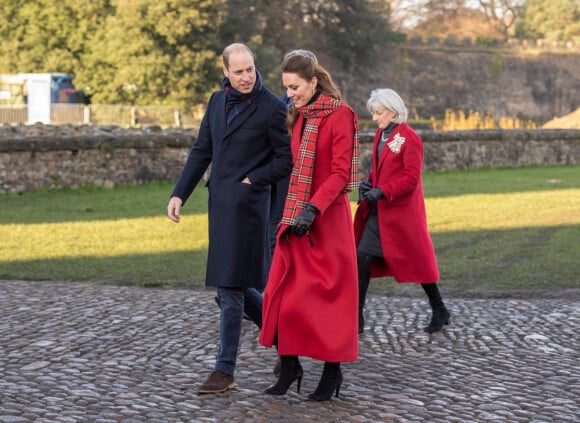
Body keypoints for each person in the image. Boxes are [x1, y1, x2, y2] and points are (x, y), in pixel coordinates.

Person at [167, 43, 292, 395]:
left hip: (250, 210)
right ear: (225, 72)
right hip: (220, 208)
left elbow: (285, 160)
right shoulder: (216, 101)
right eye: (237, 71)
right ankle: (287, 342)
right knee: (236, 287)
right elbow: (201, 150)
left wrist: (253, 180)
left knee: (230, 287)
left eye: (250, 69)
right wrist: (179, 194)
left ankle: (224, 370)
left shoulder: (271, 107)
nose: (246, 77)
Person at [259, 53, 360, 401]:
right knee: (284, 295)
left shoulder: (341, 116)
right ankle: (290, 367)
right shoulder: (300, 117)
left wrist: (313, 209)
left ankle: (332, 374)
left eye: (295, 87)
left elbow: (340, 173)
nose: (289, 94)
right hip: (296, 217)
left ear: (313, 82)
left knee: (329, 301)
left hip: (326, 221)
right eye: (286, 87)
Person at [353, 88, 451, 334]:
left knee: (419, 264)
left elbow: (410, 179)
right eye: (373, 113)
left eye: (378, 113)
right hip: (379, 213)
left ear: (393, 111)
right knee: (361, 257)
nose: (374, 118)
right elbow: (379, 168)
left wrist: (383, 191)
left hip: (401, 214)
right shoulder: (383, 135)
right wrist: (368, 181)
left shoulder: (409, 138)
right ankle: (357, 316)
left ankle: (439, 308)